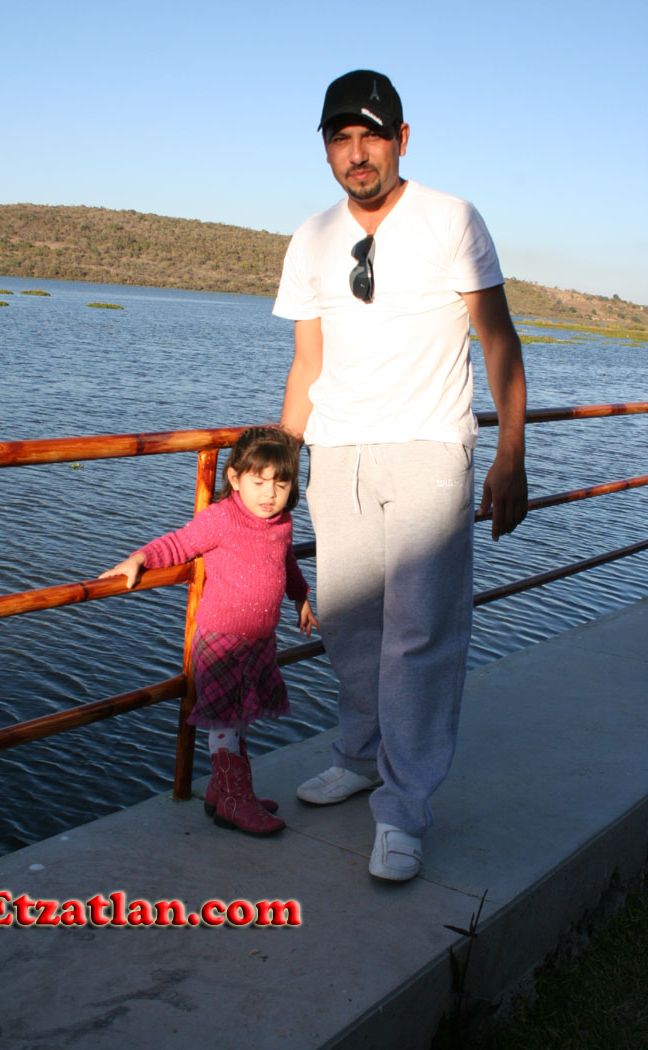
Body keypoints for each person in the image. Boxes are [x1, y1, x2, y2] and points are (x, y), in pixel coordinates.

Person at [273, 69, 527, 880]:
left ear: (402, 140)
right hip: (337, 453)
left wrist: (512, 453)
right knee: (349, 627)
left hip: (427, 450)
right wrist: (280, 465)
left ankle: (404, 808)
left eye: (372, 136)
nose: (357, 154)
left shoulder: (452, 218)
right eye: (341, 139)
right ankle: (358, 755)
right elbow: (307, 362)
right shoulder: (310, 237)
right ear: (326, 149)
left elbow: (499, 338)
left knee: (419, 636)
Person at [99, 426, 318, 837]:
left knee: (239, 719)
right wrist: (140, 558)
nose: (269, 494)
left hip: (259, 641)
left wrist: (300, 597)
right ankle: (236, 800)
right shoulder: (222, 518)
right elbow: (178, 544)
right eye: (258, 482)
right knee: (224, 721)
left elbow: (285, 563)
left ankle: (225, 793)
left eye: (281, 484)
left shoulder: (281, 523)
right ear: (235, 478)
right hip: (221, 642)